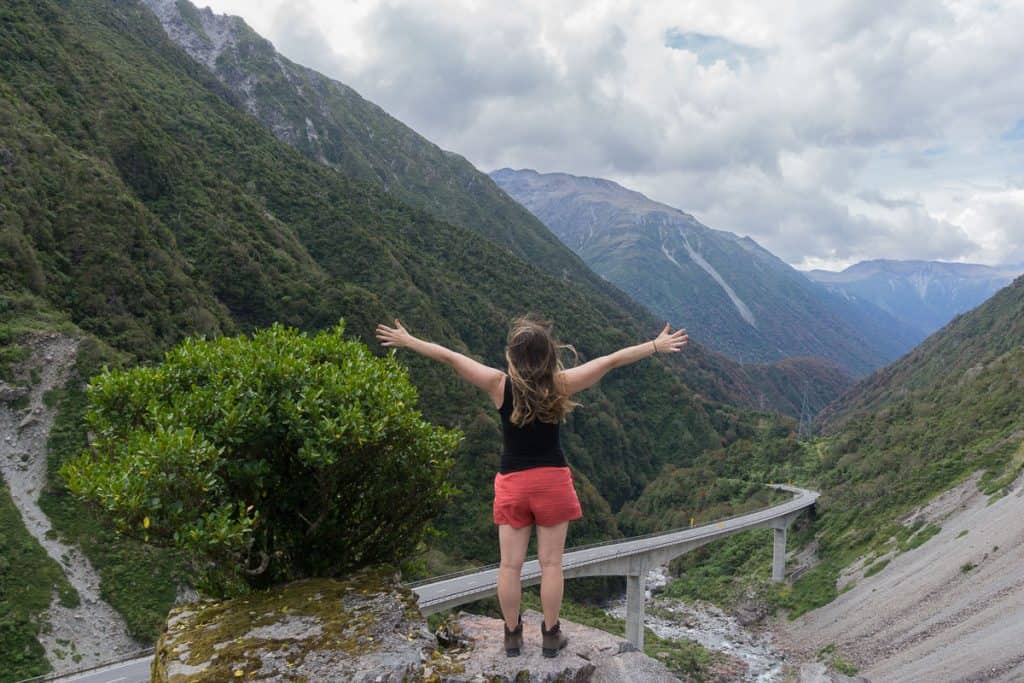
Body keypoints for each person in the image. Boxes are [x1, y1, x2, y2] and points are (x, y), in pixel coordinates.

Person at [375, 315, 688, 658]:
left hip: (513, 483)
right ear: (549, 355)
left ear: (513, 356)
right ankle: (551, 636)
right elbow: (610, 360)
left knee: (510, 566)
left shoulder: (498, 384)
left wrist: (409, 341)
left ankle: (512, 636)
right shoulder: (561, 384)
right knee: (551, 565)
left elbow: (449, 357)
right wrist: (655, 346)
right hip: (553, 481)